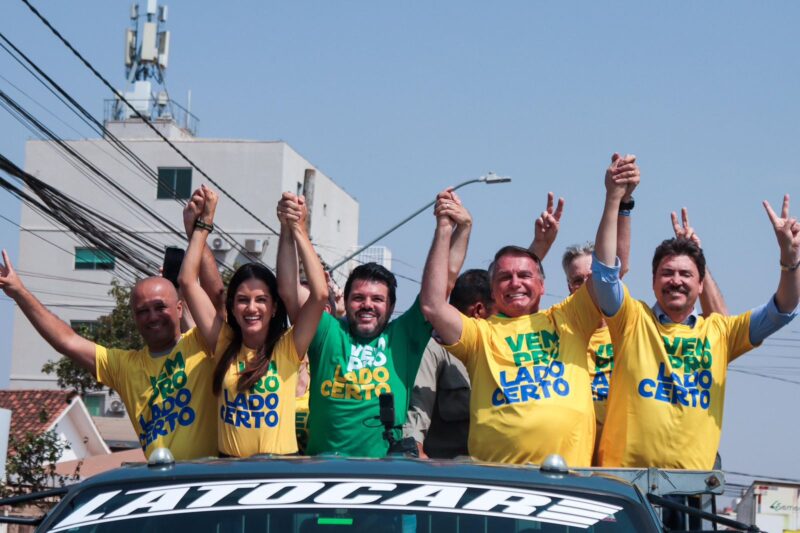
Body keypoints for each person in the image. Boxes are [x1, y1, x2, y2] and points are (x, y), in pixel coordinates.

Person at [420, 164, 634, 466]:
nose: (515, 283)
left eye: (524, 275)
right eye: (504, 278)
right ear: (492, 292)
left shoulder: (569, 318)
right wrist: (444, 229)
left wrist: (615, 200)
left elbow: (610, 272)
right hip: (499, 483)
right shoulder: (481, 334)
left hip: (569, 480)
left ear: (543, 286)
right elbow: (432, 305)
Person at [591, 160, 800, 469]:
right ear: (653, 281)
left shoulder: (721, 332)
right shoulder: (632, 320)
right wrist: (615, 200)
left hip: (693, 487)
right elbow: (605, 275)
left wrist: (790, 260)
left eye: (686, 274)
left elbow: (782, 307)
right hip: (626, 482)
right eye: (667, 273)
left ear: (701, 284)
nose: (676, 280)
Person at [0, 190, 225, 459]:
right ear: (133, 317)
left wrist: (197, 231)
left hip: (209, 480)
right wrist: (19, 292)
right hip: (160, 488)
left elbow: (218, 298)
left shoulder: (203, 344)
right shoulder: (124, 367)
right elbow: (66, 341)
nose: (152, 316)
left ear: (179, 308)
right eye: (142, 311)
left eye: (160, 307)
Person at [277, 188, 471, 457]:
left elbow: (443, 283)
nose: (367, 304)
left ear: (391, 306)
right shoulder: (326, 332)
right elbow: (289, 290)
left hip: (384, 473)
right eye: (358, 298)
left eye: (377, 299)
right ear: (345, 300)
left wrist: (449, 228)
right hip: (323, 471)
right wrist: (290, 229)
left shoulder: (404, 336)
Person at [178, 185, 328, 457]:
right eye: (243, 300)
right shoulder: (222, 342)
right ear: (232, 308)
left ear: (273, 309)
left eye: (261, 300)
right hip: (229, 472)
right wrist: (204, 224)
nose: (251, 308)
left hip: (279, 473)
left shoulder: (288, 347)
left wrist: (297, 228)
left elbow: (319, 294)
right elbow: (187, 281)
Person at [403, 269, 492, 459]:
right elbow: (418, 409)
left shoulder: (502, 347)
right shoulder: (434, 347)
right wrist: (416, 451)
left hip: (500, 467)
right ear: (478, 311)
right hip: (450, 473)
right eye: (498, 312)